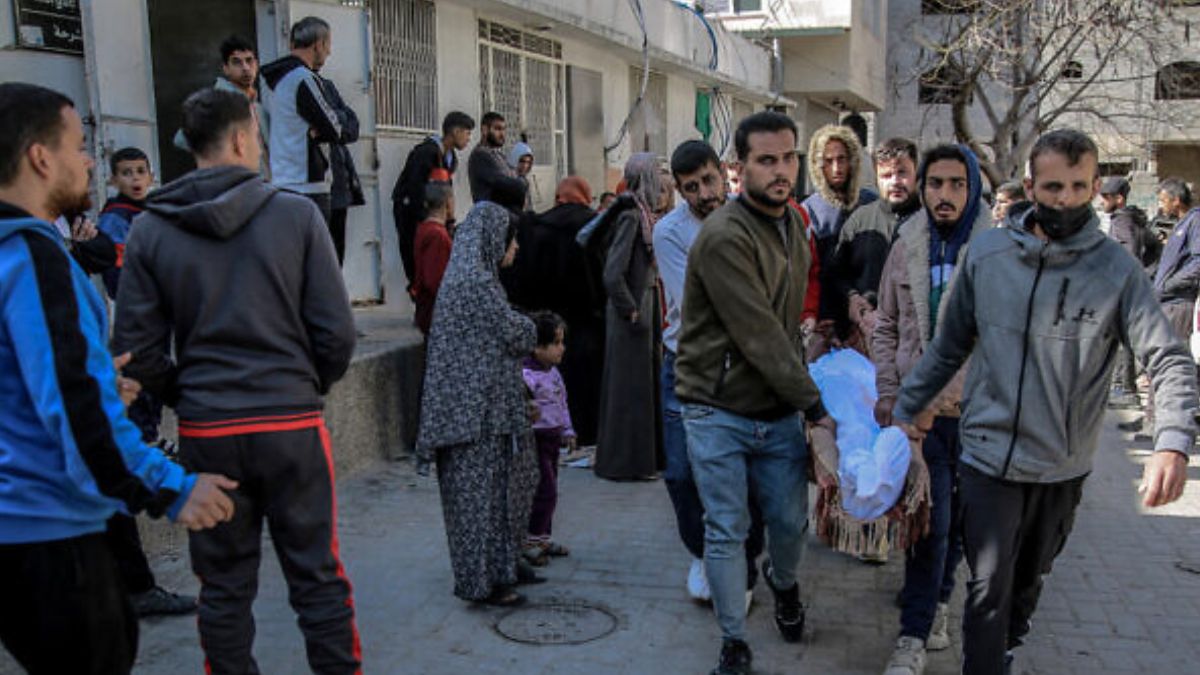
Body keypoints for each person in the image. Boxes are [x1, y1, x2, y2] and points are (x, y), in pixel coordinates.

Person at [892, 129, 1197, 675]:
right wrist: (905, 409)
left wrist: (1171, 442)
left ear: (1096, 185)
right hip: (985, 456)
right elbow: (949, 344)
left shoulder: (1116, 271)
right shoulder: (988, 255)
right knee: (987, 589)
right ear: (1030, 186)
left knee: (1025, 587)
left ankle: (1005, 647)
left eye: (1080, 187)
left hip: (1061, 465)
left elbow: (1168, 359)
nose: (1066, 199)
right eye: (1054, 186)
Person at [114, 88, 360, 674]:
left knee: (223, 589)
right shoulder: (296, 215)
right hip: (292, 425)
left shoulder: (149, 231)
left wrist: (187, 394)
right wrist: (304, 386)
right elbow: (338, 334)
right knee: (318, 581)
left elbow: (136, 352)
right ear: (243, 137)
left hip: (208, 430)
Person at [0, 81, 235, 675]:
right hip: (51, 535)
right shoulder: (33, 258)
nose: (87, 162)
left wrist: (100, 377)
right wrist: (172, 487)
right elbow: (78, 415)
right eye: (80, 146)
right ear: (39, 157)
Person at [675, 111, 838, 675]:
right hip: (715, 408)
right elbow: (760, 336)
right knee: (727, 528)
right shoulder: (723, 236)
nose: (782, 169)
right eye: (767, 160)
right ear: (738, 169)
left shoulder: (794, 224)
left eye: (789, 157)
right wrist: (816, 408)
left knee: (790, 524)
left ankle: (783, 582)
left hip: (775, 408)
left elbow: (789, 327)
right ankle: (733, 642)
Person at [872, 144, 991, 675]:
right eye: (936, 184)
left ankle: (942, 601)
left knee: (962, 525)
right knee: (930, 526)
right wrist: (890, 394)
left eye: (956, 184)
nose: (945, 195)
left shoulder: (996, 251)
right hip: (918, 420)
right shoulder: (906, 244)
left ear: (972, 189)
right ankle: (913, 636)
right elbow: (887, 326)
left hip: (978, 417)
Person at [654, 139, 765, 605]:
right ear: (680, 192)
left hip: (748, 365)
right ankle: (704, 553)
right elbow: (699, 301)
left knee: (748, 472)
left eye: (708, 180)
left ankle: (742, 560)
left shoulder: (755, 217)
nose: (703, 193)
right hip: (688, 365)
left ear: (724, 173)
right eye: (690, 188)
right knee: (681, 473)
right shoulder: (669, 232)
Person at [417, 197, 537, 607]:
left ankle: (497, 574)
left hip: (475, 414)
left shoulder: (467, 275)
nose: (515, 248)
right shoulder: (478, 284)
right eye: (511, 240)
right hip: (470, 419)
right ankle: (481, 585)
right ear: (491, 239)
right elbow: (516, 335)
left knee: (489, 500)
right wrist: (533, 324)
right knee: (475, 506)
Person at [594, 152, 665, 481]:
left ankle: (641, 462)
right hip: (632, 312)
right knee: (629, 391)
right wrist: (631, 308)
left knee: (642, 389)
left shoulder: (642, 213)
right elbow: (613, 272)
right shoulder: (631, 217)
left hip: (642, 306)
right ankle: (625, 464)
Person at [831, 137, 922, 353]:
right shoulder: (859, 221)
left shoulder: (932, 223)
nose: (895, 182)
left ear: (917, 173)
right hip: (863, 343)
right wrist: (851, 299)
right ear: (876, 178)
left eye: (902, 173)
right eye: (887, 175)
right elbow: (834, 275)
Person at [260, 16, 341, 223]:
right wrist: (327, 127)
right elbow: (335, 128)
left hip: (283, 182)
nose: (329, 51)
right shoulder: (302, 78)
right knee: (315, 253)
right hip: (307, 186)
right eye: (328, 44)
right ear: (318, 44)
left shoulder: (277, 82)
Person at [801, 124, 877, 340]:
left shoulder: (871, 205)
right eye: (828, 160)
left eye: (842, 159)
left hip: (869, 321)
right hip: (826, 324)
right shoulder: (809, 211)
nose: (836, 168)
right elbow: (811, 274)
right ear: (818, 165)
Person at [392, 111, 475, 288]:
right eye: (467, 133)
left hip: (434, 217)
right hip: (412, 213)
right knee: (415, 261)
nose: (469, 139)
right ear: (455, 131)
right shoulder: (425, 153)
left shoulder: (450, 158)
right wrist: (425, 217)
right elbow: (415, 188)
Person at [521, 311, 575, 565]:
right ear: (536, 346)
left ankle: (542, 537)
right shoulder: (526, 377)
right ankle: (532, 541)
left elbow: (562, 404)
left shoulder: (553, 373)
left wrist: (567, 431)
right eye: (555, 343)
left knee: (550, 489)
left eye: (562, 342)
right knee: (546, 491)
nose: (561, 349)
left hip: (553, 441)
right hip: (535, 442)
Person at [174, 35, 270, 178]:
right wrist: (220, 159)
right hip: (234, 184)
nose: (245, 68)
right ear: (226, 68)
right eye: (237, 62)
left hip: (264, 185)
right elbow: (182, 139)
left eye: (249, 61)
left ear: (256, 64)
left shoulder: (258, 107)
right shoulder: (218, 101)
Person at [1100, 176, 1152, 410]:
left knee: (1121, 339)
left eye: (1106, 197)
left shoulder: (1121, 221)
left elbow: (1128, 253)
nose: (1101, 202)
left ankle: (1124, 387)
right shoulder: (1136, 219)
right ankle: (1125, 386)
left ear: (1118, 199)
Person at [320, 75, 364, 266]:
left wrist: (336, 117)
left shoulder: (326, 85)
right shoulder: (298, 83)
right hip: (314, 187)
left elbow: (352, 127)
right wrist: (337, 117)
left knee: (337, 255)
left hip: (338, 185)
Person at [412, 181, 455, 336]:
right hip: (435, 313)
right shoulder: (437, 235)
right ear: (448, 202)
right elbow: (434, 280)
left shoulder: (424, 228)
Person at [468, 111, 515, 203]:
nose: (502, 134)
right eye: (498, 129)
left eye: (504, 129)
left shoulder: (499, 155)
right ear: (484, 130)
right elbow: (508, 184)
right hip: (491, 214)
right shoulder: (480, 155)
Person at [508, 140, 537, 210]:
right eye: (522, 161)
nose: (525, 165)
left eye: (529, 162)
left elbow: (529, 207)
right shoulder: (509, 180)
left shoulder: (525, 181)